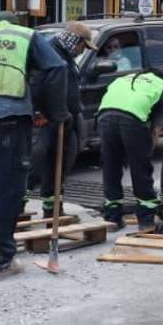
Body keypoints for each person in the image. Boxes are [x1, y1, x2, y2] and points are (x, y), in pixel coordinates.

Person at [0, 12, 68, 280]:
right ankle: (0, 261)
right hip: (10, 113)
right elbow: (57, 67)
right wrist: (55, 112)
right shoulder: (26, 35)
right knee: (7, 185)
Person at [32, 22, 96, 218]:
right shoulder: (50, 54)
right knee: (37, 163)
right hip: (48, 120)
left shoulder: (66, 57)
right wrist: (38, 113)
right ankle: (16, 207)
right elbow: (37, 85)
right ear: (74, 40)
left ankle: (52, 210)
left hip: (64, 120)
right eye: (82, 46)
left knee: (58, 166)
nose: (81, 51)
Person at [97, 69, 163, 230]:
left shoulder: (123, 78)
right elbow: (158, 123)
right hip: (132, 119)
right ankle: (146, 220)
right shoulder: (161, 85)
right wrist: (147, 150)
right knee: (140, 170)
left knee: (111, 167)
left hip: (104, 117)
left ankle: (112, 218)